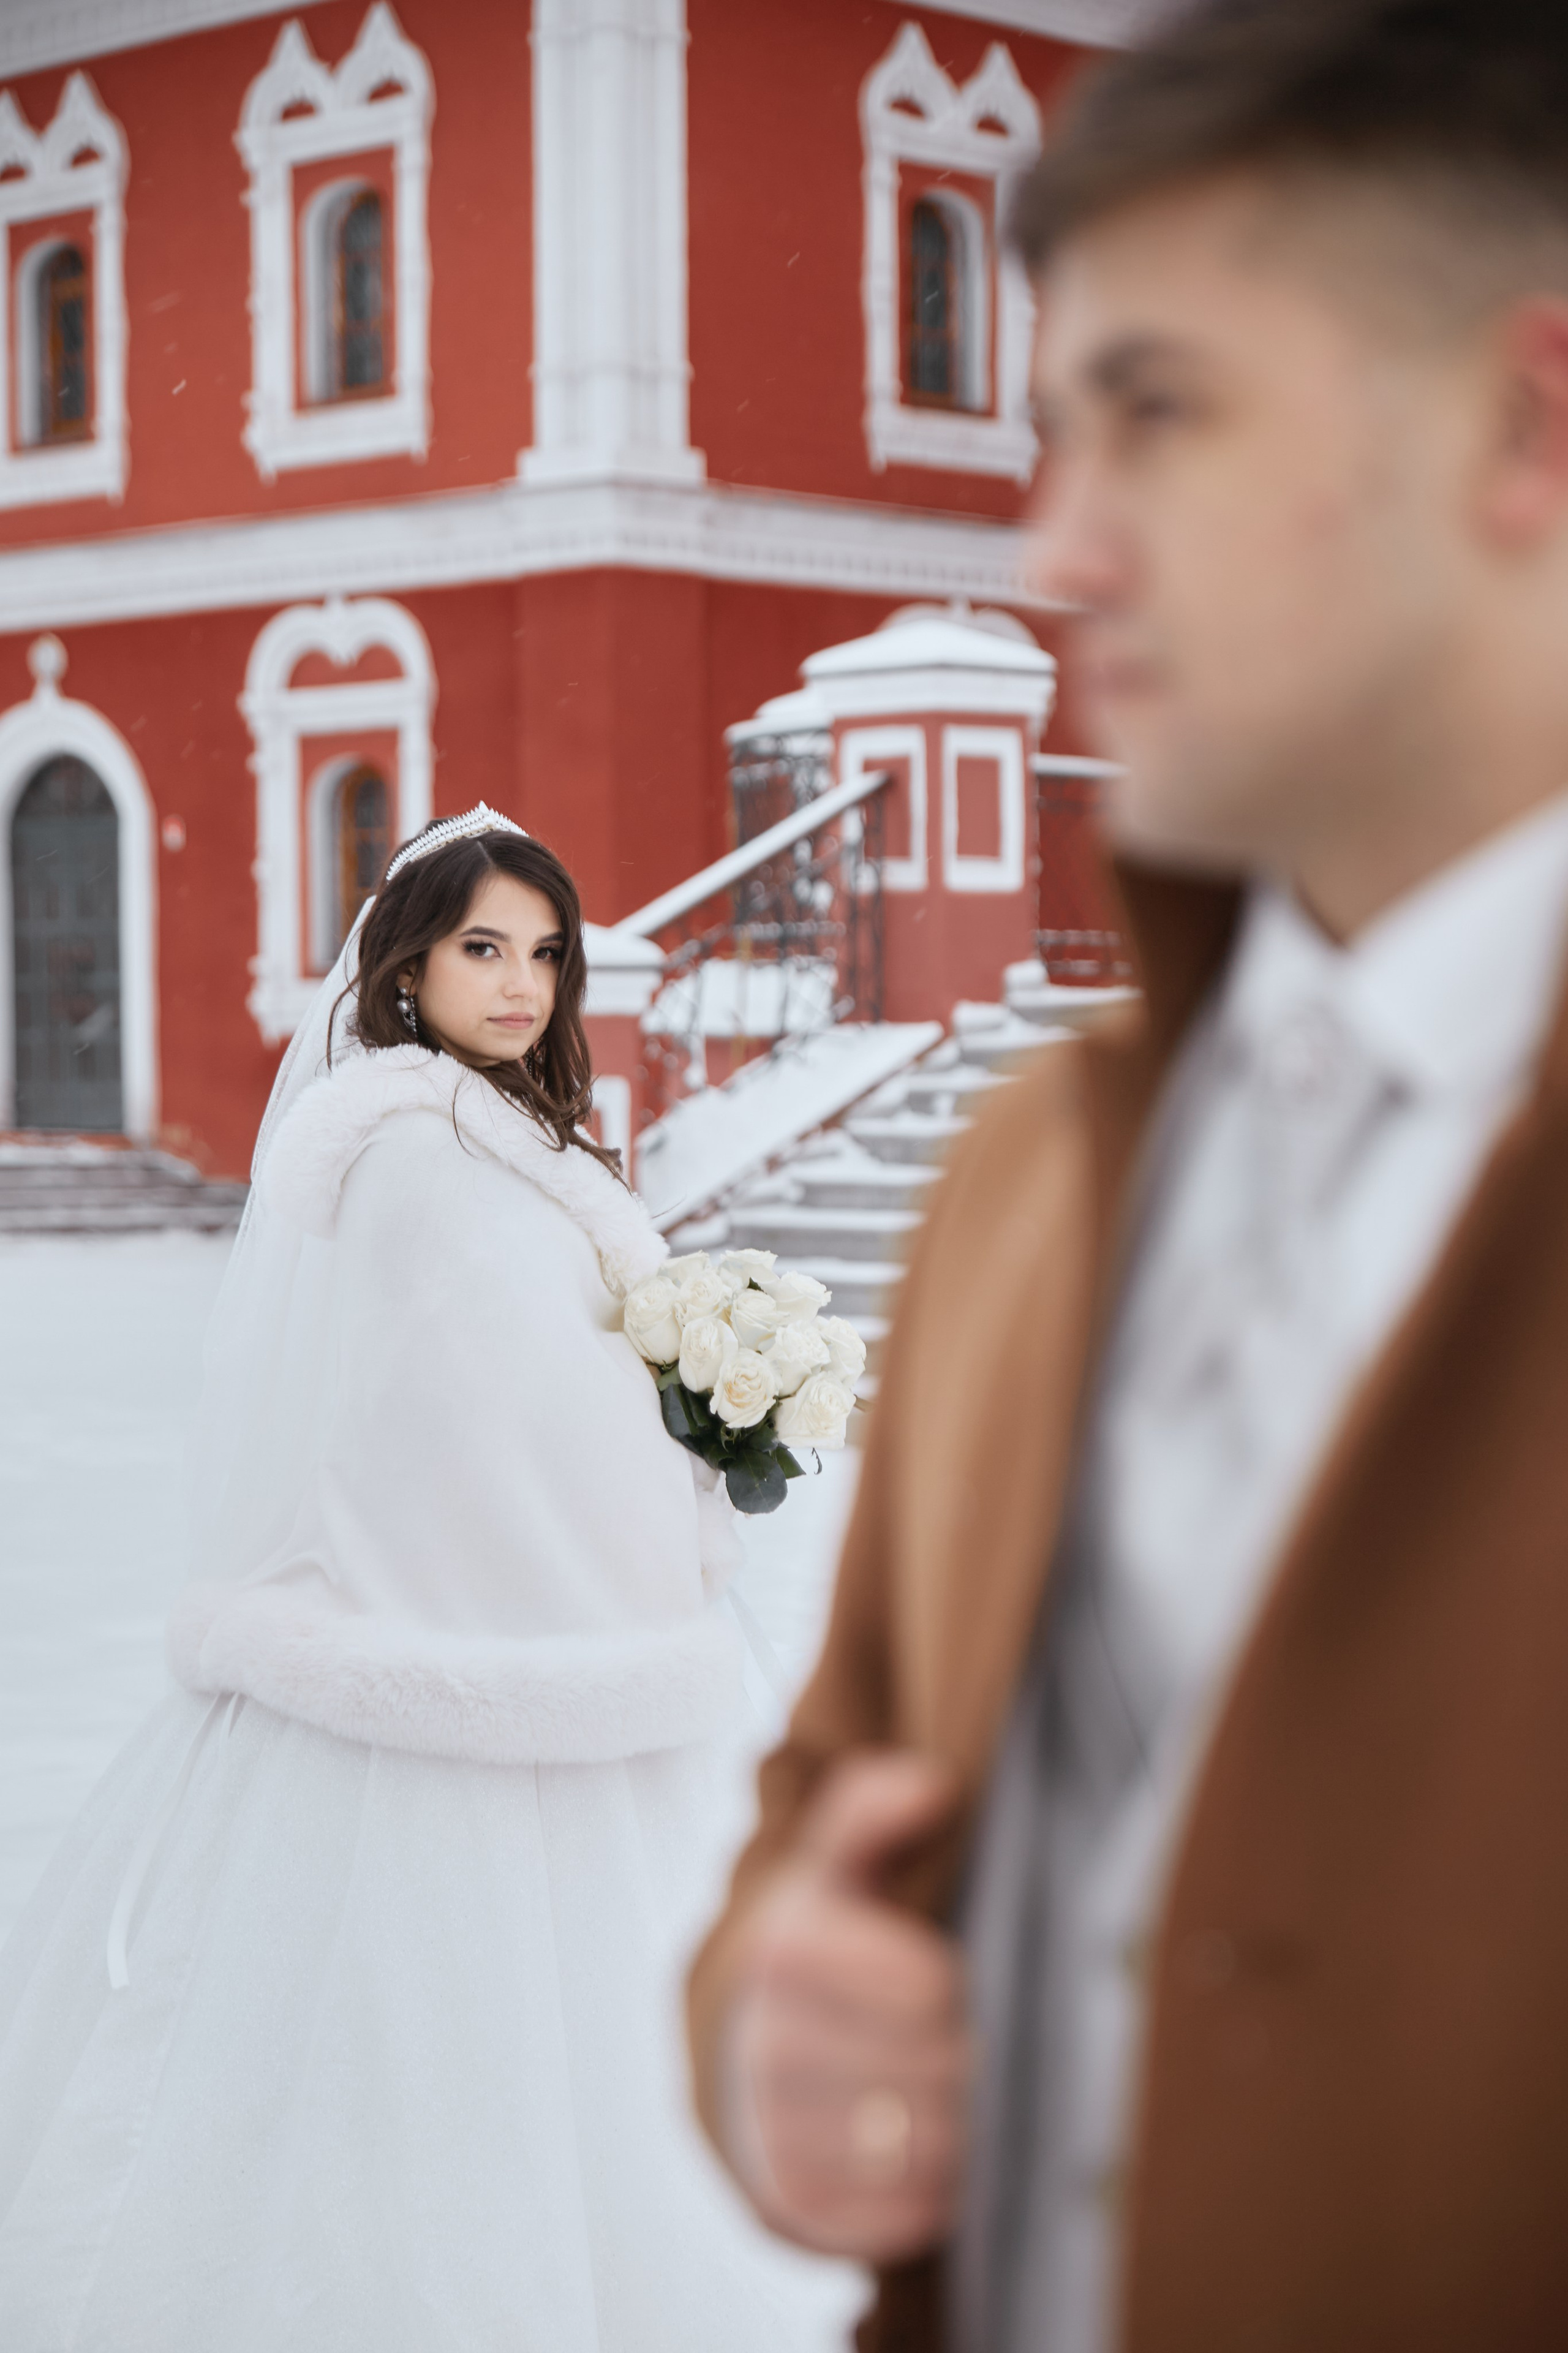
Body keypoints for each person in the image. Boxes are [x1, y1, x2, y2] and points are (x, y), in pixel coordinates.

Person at [687, 2, 1568, 2348]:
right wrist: (771, 2018)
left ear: (1529, 418)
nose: (1051, 545)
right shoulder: (1030, 1171)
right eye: (1049, 429)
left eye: (1157, 413)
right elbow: (839, 1805)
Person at [0, 806, 859, 2351]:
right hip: (480, 1628)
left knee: (585, 2039)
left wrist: (699, 1399)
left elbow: (547, 1381)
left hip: (567, 1612)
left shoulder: (513, 1136)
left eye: (542, 952)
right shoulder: (412, 1152)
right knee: (441, 2046)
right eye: (482, 948)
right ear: (409, 963)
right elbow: (458, 1407)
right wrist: (647, 1445)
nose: (520, 982)